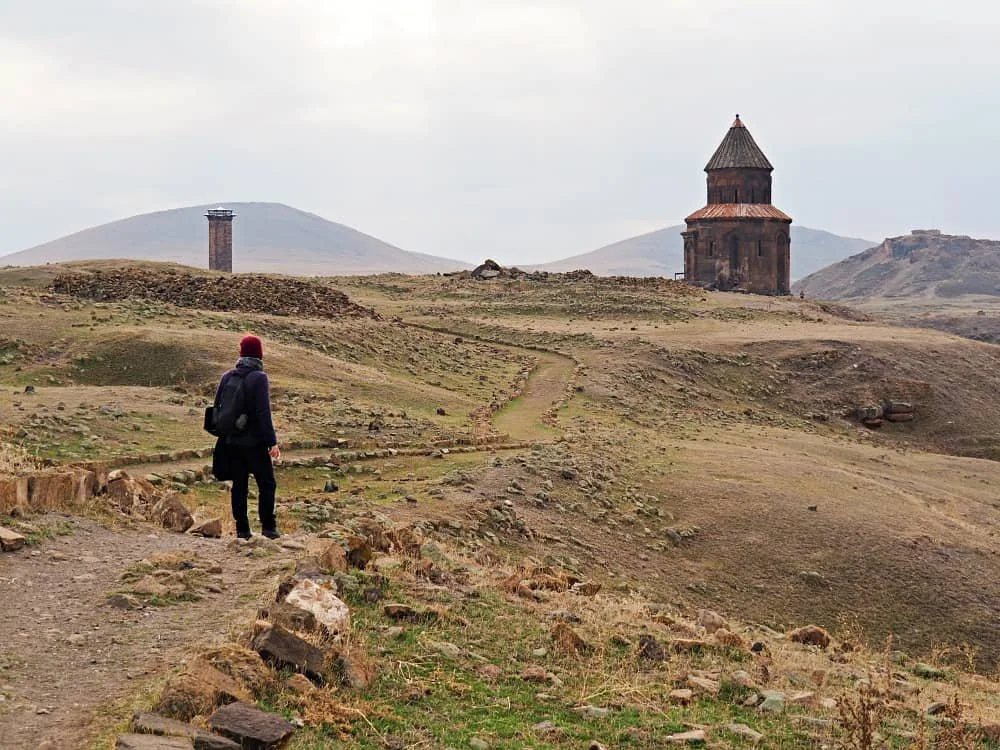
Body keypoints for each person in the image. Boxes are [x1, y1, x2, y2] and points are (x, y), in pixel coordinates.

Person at [213, 334, 281, 539]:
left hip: (231, 441)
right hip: (254, 443)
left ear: (242, 353)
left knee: (239, 485)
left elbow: (217, 407)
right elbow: (263, 413)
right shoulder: (259, 378)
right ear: (259, 354)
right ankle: (269, 529)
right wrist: (272, 442)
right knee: (267, 483)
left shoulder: (228, 376)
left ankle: (242, 530)